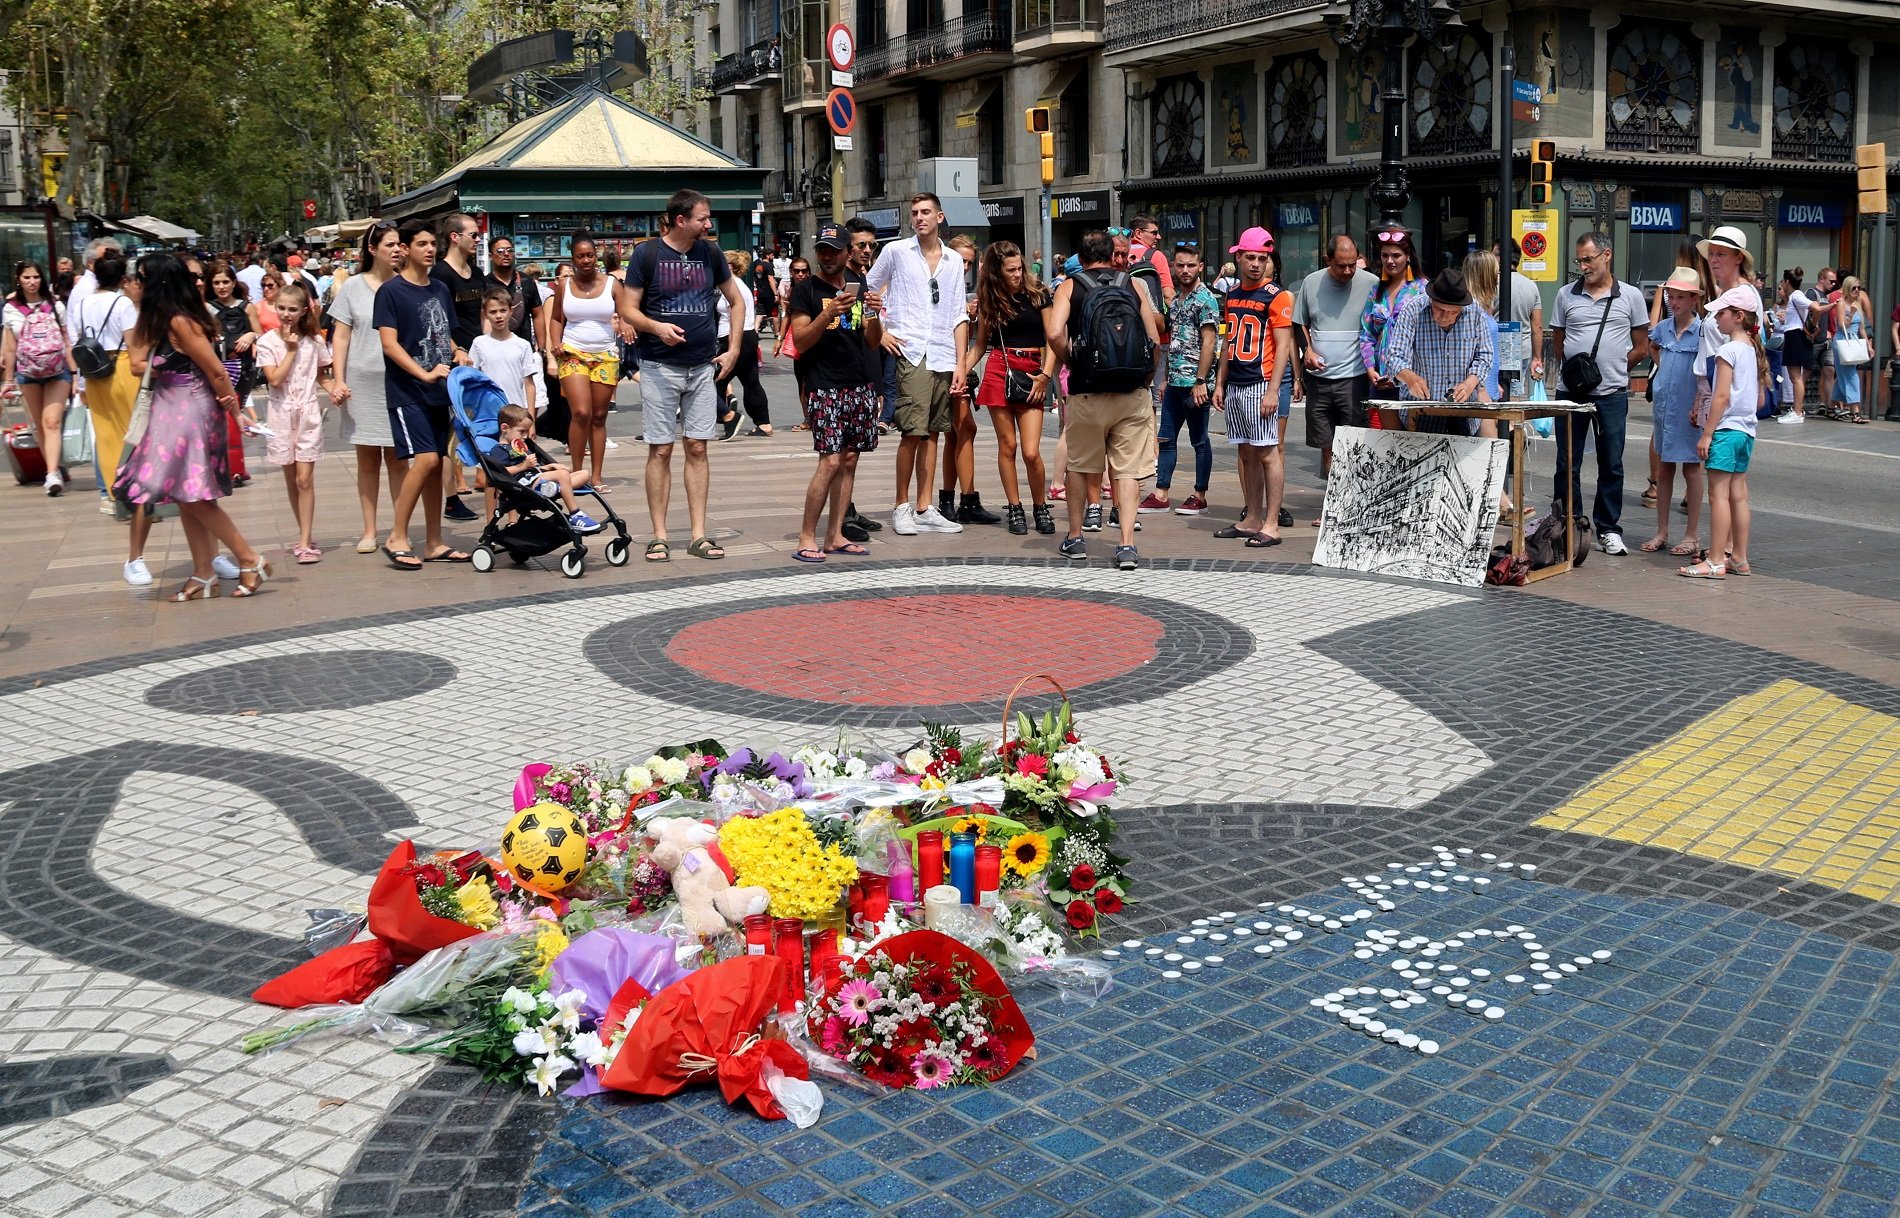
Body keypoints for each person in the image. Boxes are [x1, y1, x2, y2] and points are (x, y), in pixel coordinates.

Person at [113, 253, 268, 600]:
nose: (135, 284)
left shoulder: (181, 321)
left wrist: (236, 411)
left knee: (194, 496)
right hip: (172, 410)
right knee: (186, 495)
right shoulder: (162, 319)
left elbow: (216, 371)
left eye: (141, 277)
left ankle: (249, 558)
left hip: (190, 411)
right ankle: (203, 571)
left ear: (157, 284)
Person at [622, 188, 747, 561]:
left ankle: (698, 534)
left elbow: (736, 301)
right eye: (702, 219)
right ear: (681, 220)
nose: (709, 225)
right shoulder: (647, 254)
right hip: (659, 365)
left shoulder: (710, 253)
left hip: (702, 366)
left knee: (698, 446)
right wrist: (657, 327)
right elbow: (628, 309)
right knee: (660, 449)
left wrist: (734, 349)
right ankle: (659, 535)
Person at [1045, 228, 1161, 570]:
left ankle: (1077, 537)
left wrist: (1071, 361)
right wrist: (1145, 377)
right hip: (1131, 393)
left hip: (1086, 391)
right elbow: (1154, 340)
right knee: (1126, 471)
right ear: (1113, 255)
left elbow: (1053, 332)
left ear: (1080, 258)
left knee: (1080, 466)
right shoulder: (1134, 285)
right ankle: (1126, 544)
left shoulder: (1070, 286)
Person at [867, 192, 969, 536]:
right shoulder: (896, 251)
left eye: (926, 212)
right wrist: (880, 332)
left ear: (940, 217)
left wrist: (961, 364)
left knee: (934, 434)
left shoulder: (954, 260)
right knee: (912, 431)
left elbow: (958, 313)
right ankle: (901, 505)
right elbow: (865, 291)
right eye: (914, 212)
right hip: (911, 351)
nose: (919, 217)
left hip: (943, 352)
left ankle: (925, 506)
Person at [373, 217, 469, 570]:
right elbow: (389, 343)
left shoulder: (440, 289)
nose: (430, 250)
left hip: (439, 392)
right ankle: (397, 535)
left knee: (437, 464)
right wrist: (424, 374)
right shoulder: (391, 292)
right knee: (425, 460)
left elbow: (446, 335)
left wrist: (459, 351)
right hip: (407, 390)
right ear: (405, 249)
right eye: (422, 244)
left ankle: (434, 542)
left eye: (433, 245)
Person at [786, 222, 885, 562]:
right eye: (822, 250)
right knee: (829, 462)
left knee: (850, 460)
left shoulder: (860, 285)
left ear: (848, 253)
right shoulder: (806, 291)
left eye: (834, 250)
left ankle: (835, 534)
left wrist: (873, 312)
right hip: (823, 385)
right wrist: (827, 312)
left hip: (858, 383)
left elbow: (872, 342)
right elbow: (799, 341)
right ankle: (806, 536)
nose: (827, 256)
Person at [1549, 231, 1648, 555]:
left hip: (1612, 393)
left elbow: (1642, 345)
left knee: (1611, 463)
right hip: (1570, 393)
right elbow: (1559, 342)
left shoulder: (1630, 296)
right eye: (1579, 260)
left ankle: (1608, 528)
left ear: (1607, 255)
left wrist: (1618, 366)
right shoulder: (1566, 295)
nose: (1583, 266)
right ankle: (1570, 523)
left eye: (1588, 259)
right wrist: (1577, 373)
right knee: (1567, 462)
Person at [957, 240, 1056, 536]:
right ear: (997, 272)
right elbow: (981, 344)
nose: (1017, 273)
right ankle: (1015, 508)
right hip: (1000, 368)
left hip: (1033, 371)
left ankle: (1040, 506)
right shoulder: (990, 300)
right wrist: (961, 369)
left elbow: (1052, 338)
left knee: (1030, 451)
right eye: (1010, 269)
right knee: (1007, 446)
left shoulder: (1038, 294)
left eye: (1019, 267)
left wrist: (1046, 375)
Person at [329, 221, 409, 555]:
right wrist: (338, 378)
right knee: (367, 459)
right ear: (372, 249)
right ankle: (369, 529)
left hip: (399, 379)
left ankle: (398, 528)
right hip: (361, 380)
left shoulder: (406, 285)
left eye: (398, 244)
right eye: (389, 244)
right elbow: (341, 335)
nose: (396, 249)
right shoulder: (353, 286)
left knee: (397, 458)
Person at [1212, 227, 1293, 549]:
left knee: (1268, 452)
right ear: (1239, 257)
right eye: (1251, 257)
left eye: (1262, 258)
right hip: (1237, 382)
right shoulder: (1232, 295)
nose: (1257, 264)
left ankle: (1271, 523)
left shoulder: (1277, 295)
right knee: (1246, 452)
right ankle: (1252, 518)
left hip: (1261, 382)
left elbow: (1284, 347)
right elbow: (1228, 341)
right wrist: (1220, 382)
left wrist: (1274, 390)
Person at [1681, 286, 1768, 578]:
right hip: (1746, 432)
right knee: (1739, 495)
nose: (1716, 319)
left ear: (1738, 316)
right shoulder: (1752, 350)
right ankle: (1739, 558)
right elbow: (1757, 399)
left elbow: (1720, 396)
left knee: (1718, 496)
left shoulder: (1726, 351)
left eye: (1721, 314)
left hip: (1726, 429)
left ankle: (1716, 560)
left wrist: (1707, 433)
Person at [255, 281, 338, 564]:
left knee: (305, 479)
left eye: (293, 309)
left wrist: (333, 389)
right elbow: (274, 379)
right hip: (280, 413)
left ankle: (305, 541)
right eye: (282, 308)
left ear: (304, 311)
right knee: (291, 478)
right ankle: (303, 533)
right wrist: (290, 350)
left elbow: (321, 374)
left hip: (307, 411)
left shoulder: (314, 341)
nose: (286, 314)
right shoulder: (267, 342)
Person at [1142, 242, 1221, 517]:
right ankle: (1161, 493)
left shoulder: (1205, 299)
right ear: (1174, 267)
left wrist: (1201, 380)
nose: (1185, 270)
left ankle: (1200, 495)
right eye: (1180, 265)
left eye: (1191, 265)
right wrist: (1165, 378)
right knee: (1166, 438)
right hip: (1175, 382)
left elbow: (1210, 342)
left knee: (1200, 440)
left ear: (1200, 266)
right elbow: (1174, 342)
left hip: (1195, 385)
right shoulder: (1176, 300)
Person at [1294, 234, 1378, 489]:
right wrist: (1307, 350)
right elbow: (1300, 322)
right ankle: (1332, 503)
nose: (1348, 270)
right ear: (1327, 260)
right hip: (1319, 380)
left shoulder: (1371, 283)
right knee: (1326, 445)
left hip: (1355, 379)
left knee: (1354, 443)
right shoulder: (1312, 283)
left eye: (1352, 264)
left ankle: (1350, 501)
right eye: (1341, 265)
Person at [1385, 268, 1497, 440]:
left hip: (1464, 411)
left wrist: (1470, 383)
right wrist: (1410, 378)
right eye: (1439, 309)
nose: (1445, 317)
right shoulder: (1413, 309)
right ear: (1431, 300)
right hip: (1420, 410)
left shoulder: (1475, 312)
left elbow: (1484, 356)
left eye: (1453, 312)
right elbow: (1395, 356)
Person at [1640, 268, 1705, 558]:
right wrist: (1662, 367)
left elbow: (1708, 368)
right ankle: (1662, 531)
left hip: (1689, 407)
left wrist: (1701, 399)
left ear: (1693, 299)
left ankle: (1691, 534)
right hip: (1665, 406)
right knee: (1664, 468)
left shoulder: (1702, 330)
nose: (1675, 302)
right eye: (1671, 296)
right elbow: (1652, 346)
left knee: (1691, 468)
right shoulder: (1664, 328)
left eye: (1681, 297)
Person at [0, 261, 76, 496]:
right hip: (27, 373)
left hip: (57, 372)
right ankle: (54, 467)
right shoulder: (10, 309)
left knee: (51, 421)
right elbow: (10, 348)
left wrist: (75, 375)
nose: (32, 282)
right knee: (39, 425)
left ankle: (52, 474)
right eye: (27, 278)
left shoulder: (55, 305)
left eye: (36, 277)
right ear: (18, 280)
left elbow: (66, 340)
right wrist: (8, 380)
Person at [937, 233, 998, 526]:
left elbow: (976, 345)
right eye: (960, 261)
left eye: (969, 263)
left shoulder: (964, 291)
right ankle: (965, 500)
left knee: (957, 433)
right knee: (964, 430)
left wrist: (964, 365)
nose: (963, 268)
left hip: (956, 368)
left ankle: (952, 499)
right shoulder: (941, 286)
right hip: (942, 366)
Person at [74, 251, 139, 514]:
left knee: (106, 435)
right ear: (123, 279)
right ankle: (136, 496)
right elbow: (133, 343)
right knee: (132, 433)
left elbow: (80, 338)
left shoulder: (82, 303)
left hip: (93, 372)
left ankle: (116, 495)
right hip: (121, 368)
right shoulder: (122, 304)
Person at [432, 214, 485, 521]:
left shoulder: (476, 273)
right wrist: (457, 350)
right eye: (473, 235)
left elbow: (481, 316)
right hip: (452, 361)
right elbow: (439, 322)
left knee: (477, 421)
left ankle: (481, 475)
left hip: (476, 358)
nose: (477, 240)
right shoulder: (440, 275)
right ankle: (452, 494)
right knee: (454, 428)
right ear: (455, 237)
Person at [487, 403, 599, 532]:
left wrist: (550, 466)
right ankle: (575, 514)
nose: (524, 436)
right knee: (562, 475)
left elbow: (535, 468)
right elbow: (500, 472)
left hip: (536, 476)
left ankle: (554, 488)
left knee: (584, 474)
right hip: (523, 484)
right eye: (521, 431)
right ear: (505, 428)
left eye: (526, 432)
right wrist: (523, 466)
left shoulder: (522, 446)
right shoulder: (499, 450)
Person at [1359, 227, 1427, 398]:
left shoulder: (1422, 289)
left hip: (1413, 376)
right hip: (1381, 377)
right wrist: (1369, 368)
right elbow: (1366, 334)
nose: (1389, 261)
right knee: (1383, 425)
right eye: (1384, 255)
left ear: (1408, 256)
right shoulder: (1376, 291)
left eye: (1396, 255)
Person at [714, 248, 771, 438]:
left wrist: (731, 348)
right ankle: (763, 424)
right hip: (747, 336)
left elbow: (733, 316)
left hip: (734, 337)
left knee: (712, 382)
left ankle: (728, 417)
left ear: (729, 266)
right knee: (751, 381)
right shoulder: (741, 285)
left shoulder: (731, 286)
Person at [1775, 268, 1811, 424]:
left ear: (1787, 282)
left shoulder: (1796, 295)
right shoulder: (1794, 297)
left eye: (1783, 282)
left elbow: (1814, 307)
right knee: (1794, 377)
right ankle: (1796, 410)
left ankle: (1797, 412)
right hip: (1793, 335)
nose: (1782, 285)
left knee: (1796, 377)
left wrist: (1814, 323)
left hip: (1795, 335)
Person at [1834, 276, 1871, 423]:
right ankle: (1855, 412)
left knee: (1843, 376)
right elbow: (1842, 324)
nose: (1856, 290)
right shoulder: (1841, 304)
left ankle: (1831, 406)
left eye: (1858, 288)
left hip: (1853, 342)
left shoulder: (1857, 304)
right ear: (1847, 288)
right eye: (1853, 288)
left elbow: (1861, 328)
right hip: (1843, 341)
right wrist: (1851, 312)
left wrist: (1868, 344)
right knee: (1851, 376)